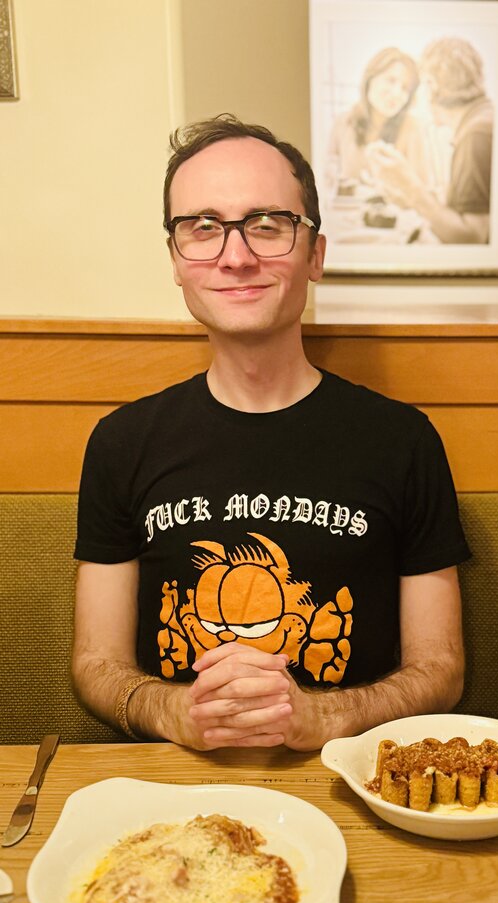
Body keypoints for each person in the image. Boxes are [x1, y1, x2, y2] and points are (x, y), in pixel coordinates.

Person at [71, 115, 470, 753]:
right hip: (173, 782)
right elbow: (94, 665)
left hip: (346, 779)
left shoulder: (404, 440)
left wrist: (327, 718)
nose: (236, 256)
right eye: (202, 228)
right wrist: (175, 712)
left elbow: (441, 669)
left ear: (315, 255)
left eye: (267, 224)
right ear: (176, 260)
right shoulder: (121, 442)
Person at [367, 38, 493, 244]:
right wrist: (412, 198)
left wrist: (412, 190)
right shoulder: (480, 120)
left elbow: (472, 237)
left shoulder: (475, 135)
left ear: (432, 86)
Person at [325, 46, 431, 192]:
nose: (396, 93)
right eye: (391, 80)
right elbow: (326, 180)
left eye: (405, 88)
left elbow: (423, 192)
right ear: (370, 78)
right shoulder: (343, 122)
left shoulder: (413, 128)